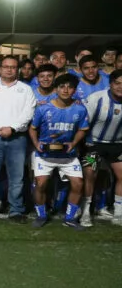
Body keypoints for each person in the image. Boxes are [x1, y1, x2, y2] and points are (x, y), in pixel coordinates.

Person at [0, 56, 36, 223]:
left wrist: (11, 128)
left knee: (17, 176)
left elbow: (28, 113)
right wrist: (0, 128)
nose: (9, 70)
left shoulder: (26, 90)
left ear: (17, 69)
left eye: (13, 67)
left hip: (17, 138)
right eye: (6, 66)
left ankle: (16, 210)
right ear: (0, 69)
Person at [29, 74, 88, 230]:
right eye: (62, 86)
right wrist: (36, 144)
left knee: (78, 184)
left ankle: (69, 218)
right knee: (40, 184)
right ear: (56, 89)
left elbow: (82, 129)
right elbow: (33, 128)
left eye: (70, 87)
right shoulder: (43, 108)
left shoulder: (80, 109)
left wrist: (73, 143)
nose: (66, 90)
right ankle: (41, 216)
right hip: (45, 155)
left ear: (74, 90)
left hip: (68, 156)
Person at [81, 69, 122, 227]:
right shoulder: (96, 98)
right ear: (110, 84)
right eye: (117, 83)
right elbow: (84, 124)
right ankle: (85, 212)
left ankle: (118, 213)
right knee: (90, 174)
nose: (120, 87)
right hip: (94, 145)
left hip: (117, 145)